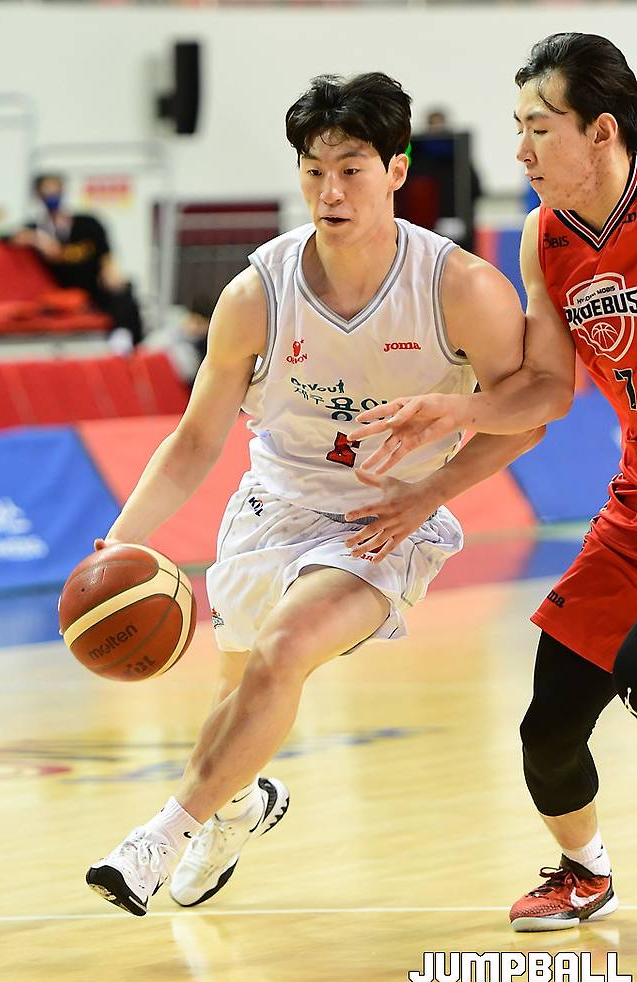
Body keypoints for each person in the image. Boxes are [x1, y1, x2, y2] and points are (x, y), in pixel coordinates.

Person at [84, 71, 553, 918]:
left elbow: (525, 417)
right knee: (240, 697)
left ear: (397, 171)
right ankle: (238, 808)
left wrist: (431, 491)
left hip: (384, 521)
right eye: (313, 171)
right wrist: (120, 540)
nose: (330, 191)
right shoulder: (255, 294)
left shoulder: (459, 288)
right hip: (271, 508)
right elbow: (195, 441)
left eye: (351, 169)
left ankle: (156, 839)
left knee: (286, 647)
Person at [348, 33, 637, 932]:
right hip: (633, 511)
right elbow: (547, 390)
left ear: (601, 131)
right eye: (518, 127)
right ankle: (584, 872)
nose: (520, 150)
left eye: (539, 128)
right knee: (548, 728)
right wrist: (454, 411)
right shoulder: (545, 237)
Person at [13, 173, 143, 347]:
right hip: (61, 286)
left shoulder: (88, 223)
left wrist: (110, 271)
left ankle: (125, 337)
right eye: (47, 190)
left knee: (122, 288)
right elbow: (11, 237)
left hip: (93, 283)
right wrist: (37, 239)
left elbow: (105, 254)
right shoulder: (35, 228)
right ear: (38, 195)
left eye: (56, 190)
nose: (52, 195)